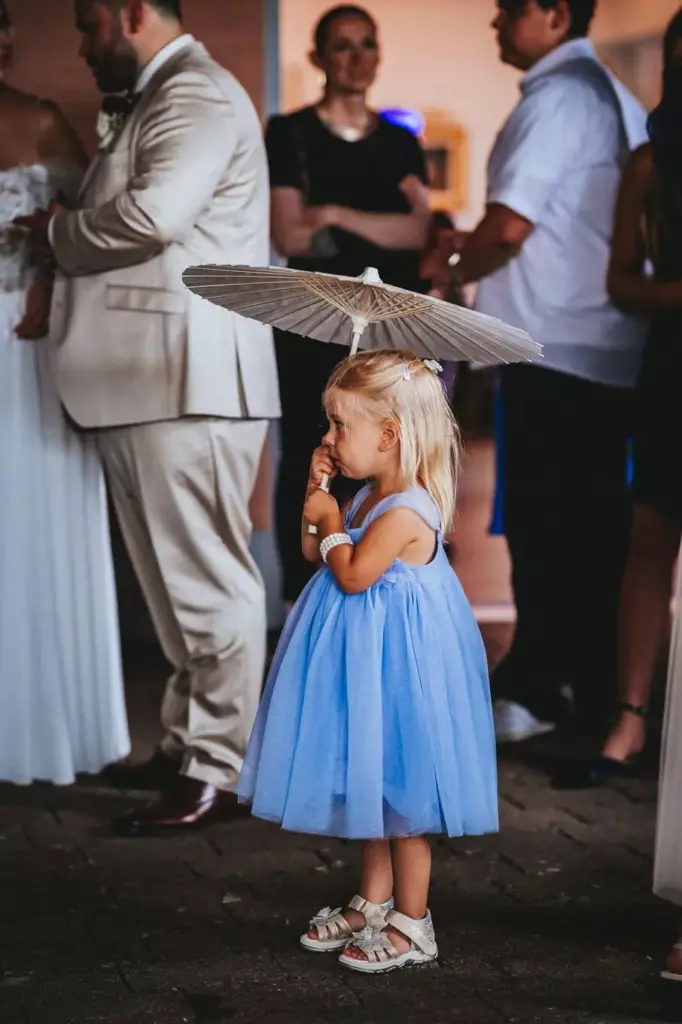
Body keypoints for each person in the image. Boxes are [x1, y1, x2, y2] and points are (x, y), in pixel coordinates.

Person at [18, 0, 280, 833]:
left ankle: (220, 769)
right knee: (175, 587)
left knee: (207, 580)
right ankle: (185, 745)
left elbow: (151, 217)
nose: (84, 45)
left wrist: (59, 232)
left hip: (186, 376)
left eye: (90, 25)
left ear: (132, 12)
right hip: (151, 378)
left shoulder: (194, 91)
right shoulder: (164, 93)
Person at [237, 350, 498, 974]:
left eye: (339, 426)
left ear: (388, 436)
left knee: (404, 801)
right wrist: (318, 493)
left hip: (400, 671)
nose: (328, 438)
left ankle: (413, 922)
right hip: (363, 665)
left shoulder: (406, 510)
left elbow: (353, 574)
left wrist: (330, 520)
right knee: (370, 787)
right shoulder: (361, 498)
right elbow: (313, 552)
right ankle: (374, 901)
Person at [437, 0, 648, 742]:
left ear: (555, 14)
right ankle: (573, 688)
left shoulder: (560, 97)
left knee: (549, 530)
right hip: (594, 343)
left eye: (509, 8)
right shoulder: (607, 91)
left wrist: (451, 262)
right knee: (585, 531)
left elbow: (510, 226)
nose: (496, 21)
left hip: (557, 346)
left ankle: (548, 691)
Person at [0, 1, 130, 784]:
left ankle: (44, 723)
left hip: (26, 341)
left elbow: (94, 223)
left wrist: (49, 275)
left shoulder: (44, 118)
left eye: (3, 23)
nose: (3, 38)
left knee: (34, 510)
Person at [267, 4, 430, 609]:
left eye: (367, 44)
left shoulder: (400, 142)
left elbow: (417, 232)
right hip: (312, 323)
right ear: (319, 58)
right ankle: (303, 599)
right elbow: (288, 232)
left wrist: (335, 214)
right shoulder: (290, 133)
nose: (357, 58)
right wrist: (376, 224)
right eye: (342, 46)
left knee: (390, 448)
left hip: (389, 324)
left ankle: (381, 581)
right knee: (312, 450)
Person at [564, 9, 682, 787]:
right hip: (672, 361)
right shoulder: (651, 161)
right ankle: (630, 719)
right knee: (652, 532)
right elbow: (619, 282)